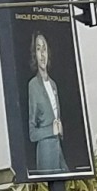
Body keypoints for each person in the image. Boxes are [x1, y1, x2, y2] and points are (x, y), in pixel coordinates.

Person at [26, 31, 69, 174]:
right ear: (34, 54)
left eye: (44, 49)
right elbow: (32, 133)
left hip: (58, 150)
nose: (42, 54)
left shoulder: (53, 84)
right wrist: (51, 130)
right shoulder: (33, 86)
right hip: (46, 154)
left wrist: (60, 131)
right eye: (38, 49)